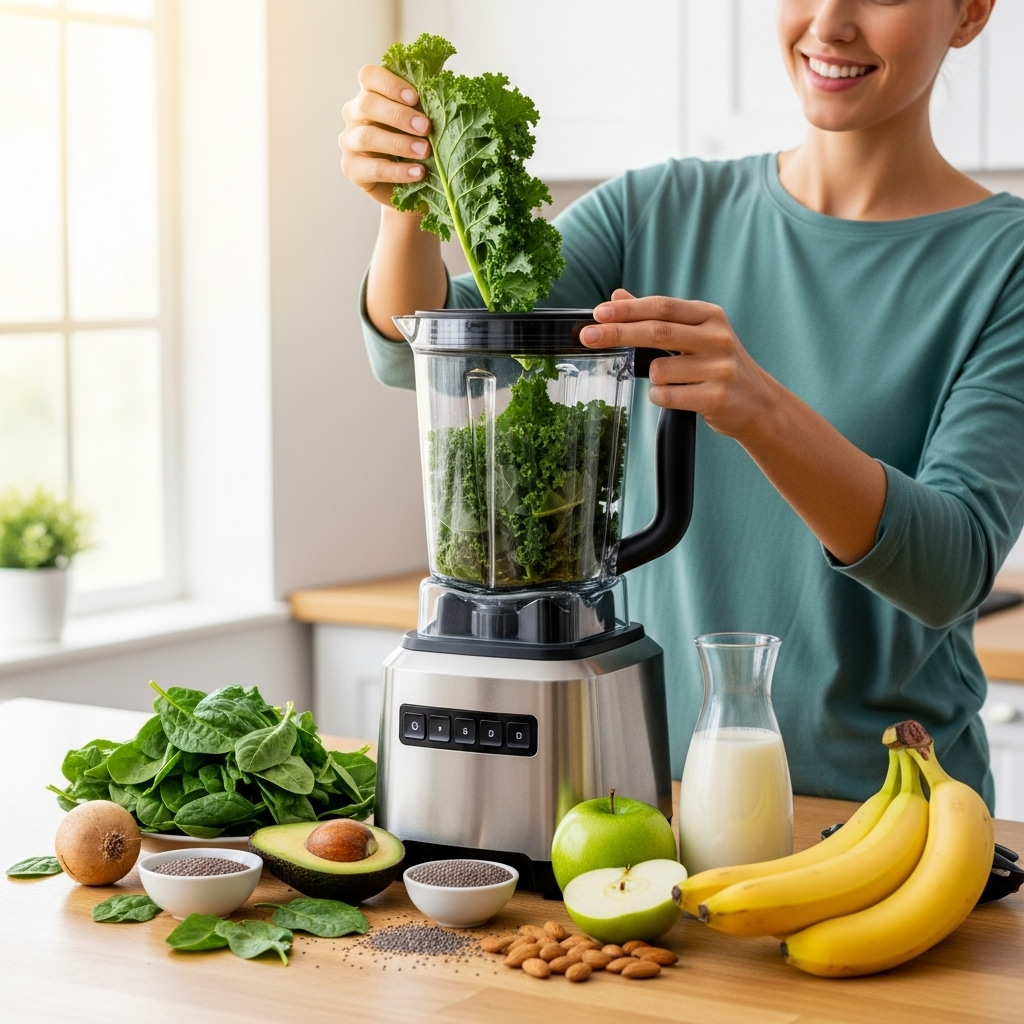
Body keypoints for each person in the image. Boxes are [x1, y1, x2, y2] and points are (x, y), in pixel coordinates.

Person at [340, 0, 1024, 807]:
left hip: (878, 817)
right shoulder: (654, 210)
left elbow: (950, 569)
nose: (830, 24)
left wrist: (759, 408)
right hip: (628, 800)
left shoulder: (1004, 264)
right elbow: (424, 349)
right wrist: (405, 206)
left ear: (971, 12)